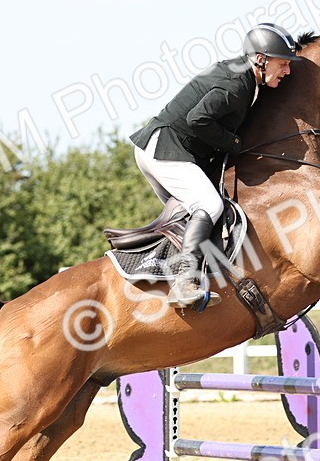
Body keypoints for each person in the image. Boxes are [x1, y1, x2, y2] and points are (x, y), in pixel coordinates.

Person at [129, 23, 301, 308]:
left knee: (190, 216)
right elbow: (198, 119)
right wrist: (234, 144)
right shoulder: (237, 84)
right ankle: (184, 282)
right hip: (165, 148)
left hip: (160, 147)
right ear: (261, 59)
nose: (287, 70)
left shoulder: (245, 78)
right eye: (283, 63)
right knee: (209, 205)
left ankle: (173, 274)